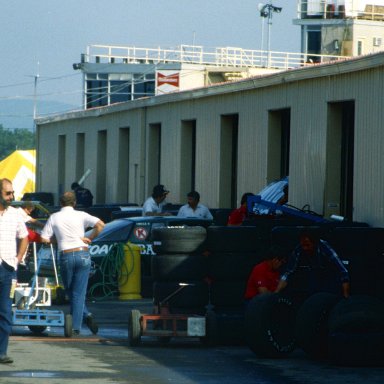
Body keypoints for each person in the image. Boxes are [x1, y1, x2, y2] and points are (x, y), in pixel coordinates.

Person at [41, 191, 105, 335]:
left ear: (60, 203)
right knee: (78, 292)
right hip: (82, 253)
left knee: (71, 291)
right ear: (74, 203)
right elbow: (101, 224)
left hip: (66, 254)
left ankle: (75, 326)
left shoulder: (54, 217)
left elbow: (44, 238)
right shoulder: (81, 215)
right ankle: (83, 317)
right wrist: (90, 237)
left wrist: (57, 239)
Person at [0, 178, 29, 364]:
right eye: (8, 193)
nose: (12, 196)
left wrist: (18, 259)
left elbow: (24, 237)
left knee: (5, 311)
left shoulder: (16, 214)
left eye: (12, 193)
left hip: (9, 270)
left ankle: (2, 352)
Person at [276, 229, 350, 298]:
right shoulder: (298, 250)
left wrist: (345, 295)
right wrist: (276, 292)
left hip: (331, 279)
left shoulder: (325, 248)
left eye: (308, 245)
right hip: (315, 277)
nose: (305, 248)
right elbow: (288, 272)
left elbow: (343, 271)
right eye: (303, 245)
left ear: (315, 243)